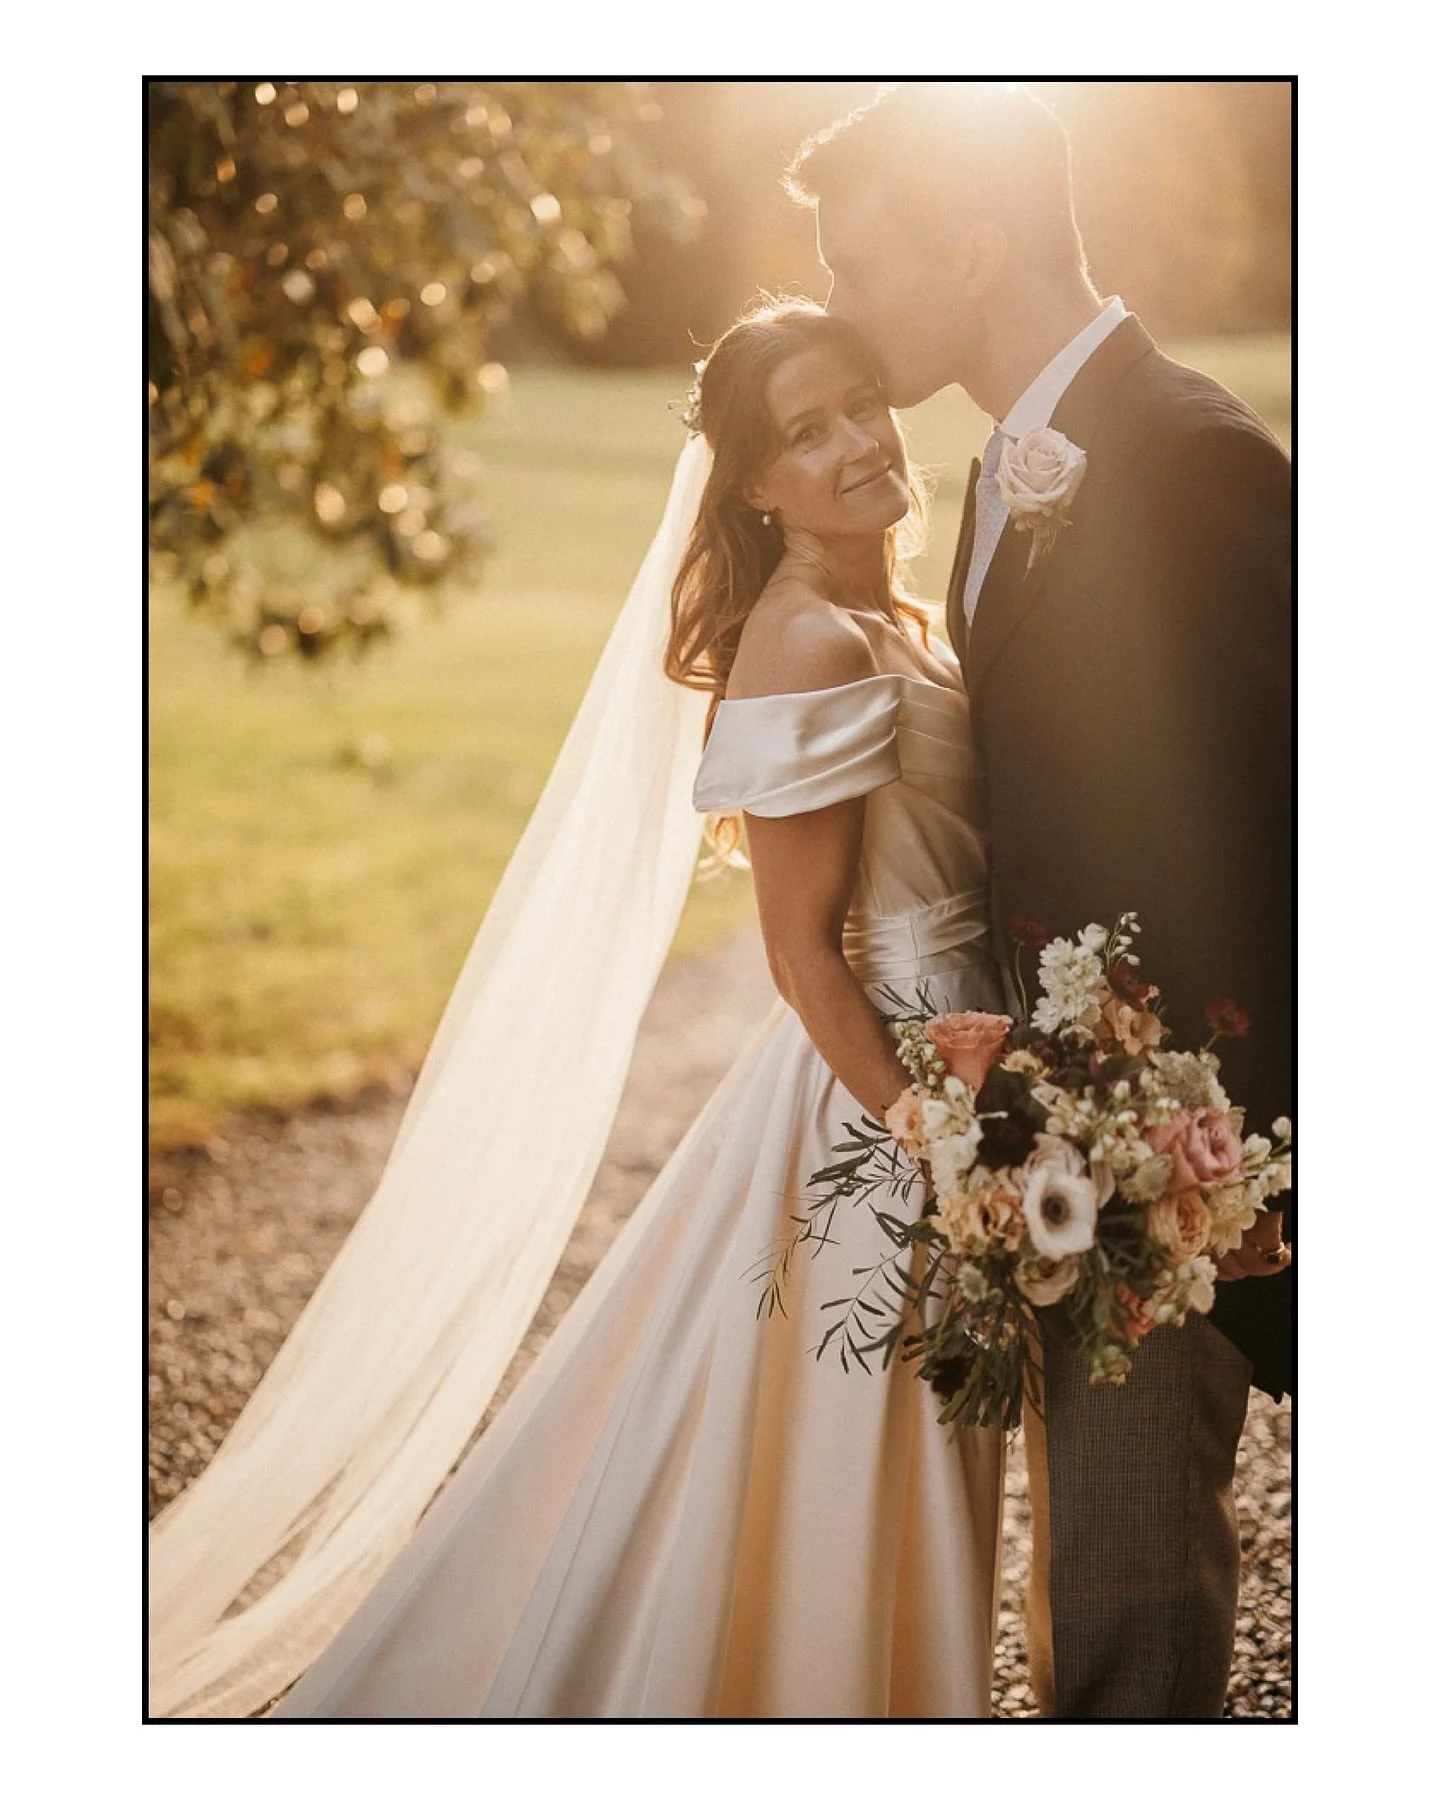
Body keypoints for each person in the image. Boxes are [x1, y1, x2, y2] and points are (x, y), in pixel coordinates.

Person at [153, 301, 1010, 1720]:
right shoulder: (805, 640)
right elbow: (801, 953)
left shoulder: (892, 617)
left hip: (956, 1074)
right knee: (857, 1457)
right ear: (755, 482)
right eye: (810, 430)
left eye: (865, 401)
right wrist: (935, 1138)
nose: (862, 440)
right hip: (888, 1110)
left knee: (879, 1461)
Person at [785, 81, 1293, 1718]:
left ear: (980, 243)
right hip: (1057, 1143)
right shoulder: (1010, 470)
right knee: (1090, 1592)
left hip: (1164, 1158)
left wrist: (1239, 1159)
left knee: (1131, 1610)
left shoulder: (1194, 459)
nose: (844, 313)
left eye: (862, 269)